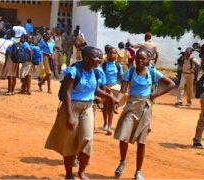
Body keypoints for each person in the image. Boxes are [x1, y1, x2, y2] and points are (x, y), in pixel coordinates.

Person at [45, 46, 119, 180]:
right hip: (72, 106)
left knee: (87, 138)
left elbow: (95, 90)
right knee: (69, 140)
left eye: (100, 57)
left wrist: (111, 97)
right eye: (95, 57)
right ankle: (68, 173)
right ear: (85, 58)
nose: (99, 59)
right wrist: (69, 117)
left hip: (88, 107)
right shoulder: (74, 71)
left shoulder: (96, 72)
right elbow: (67, 94)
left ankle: (82, 171)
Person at [113, 48, 175, 180]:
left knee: (141, 142)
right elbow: (123, 90)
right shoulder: (129, 72)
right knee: (123, 136)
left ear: (148, 60)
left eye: (143, 58)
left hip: (145, 108)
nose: (140, 61)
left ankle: (138, 171)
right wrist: (117, 101)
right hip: (131, 106)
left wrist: (155, 95)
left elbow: (171, 84)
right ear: (134, 59)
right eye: (137, 58)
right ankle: (123, 161)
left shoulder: (152, 72)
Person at [100, 47, 124, 135]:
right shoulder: (103, 65)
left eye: (114, 53)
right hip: (105, 87)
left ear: (116, 55)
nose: (112, 55)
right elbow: (100, 78)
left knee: (110, 106)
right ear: (107, 54)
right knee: (105, 106)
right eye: (110, 53)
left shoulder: (118, 66)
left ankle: (109, 126)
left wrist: (123, 89)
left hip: (114, 88)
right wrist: (105, 86)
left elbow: (121, 79)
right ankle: (105, 123)